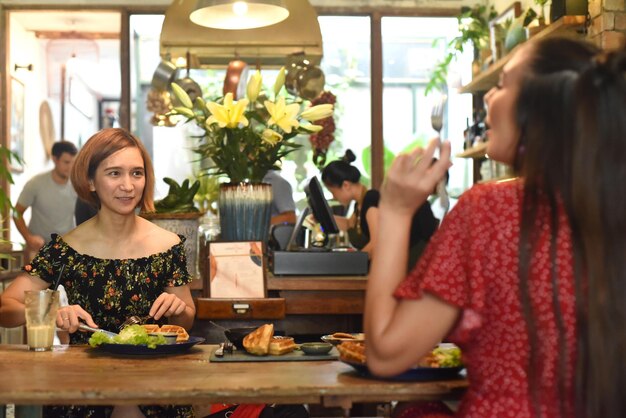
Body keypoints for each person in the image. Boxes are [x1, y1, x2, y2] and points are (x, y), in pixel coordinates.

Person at [365, 36, 625, 417]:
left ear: (540, 112)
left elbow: (385, 353)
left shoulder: (491, 210)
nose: (488, 98)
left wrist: (394, 211)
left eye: (502, 84)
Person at [0, 128, 196, 418]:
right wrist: (51, 312)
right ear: (90, 181)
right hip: (84, 387)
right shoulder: (65, 248)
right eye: (114, 173)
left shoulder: (168, 245)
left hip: (156, 383)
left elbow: (188, 319)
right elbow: (6, 306)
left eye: (137, 173)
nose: (128, 186)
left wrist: (178, 310)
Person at [322, 150, 438, 261]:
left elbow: (377, 243)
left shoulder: (371, 199)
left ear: (346, 185)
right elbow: (348, 224)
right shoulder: (360, 204)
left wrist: (352, 262)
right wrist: (321, 217)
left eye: (333, 192)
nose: (334, 197)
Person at [13, 140, 78, 261]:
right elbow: (17, 213)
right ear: (55, 159)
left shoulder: (77, 186)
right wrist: (29, 238)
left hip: (67, 247)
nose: (70, 167)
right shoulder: (35, 184)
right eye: (66, 162)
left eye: (73, 162)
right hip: (38, 247)